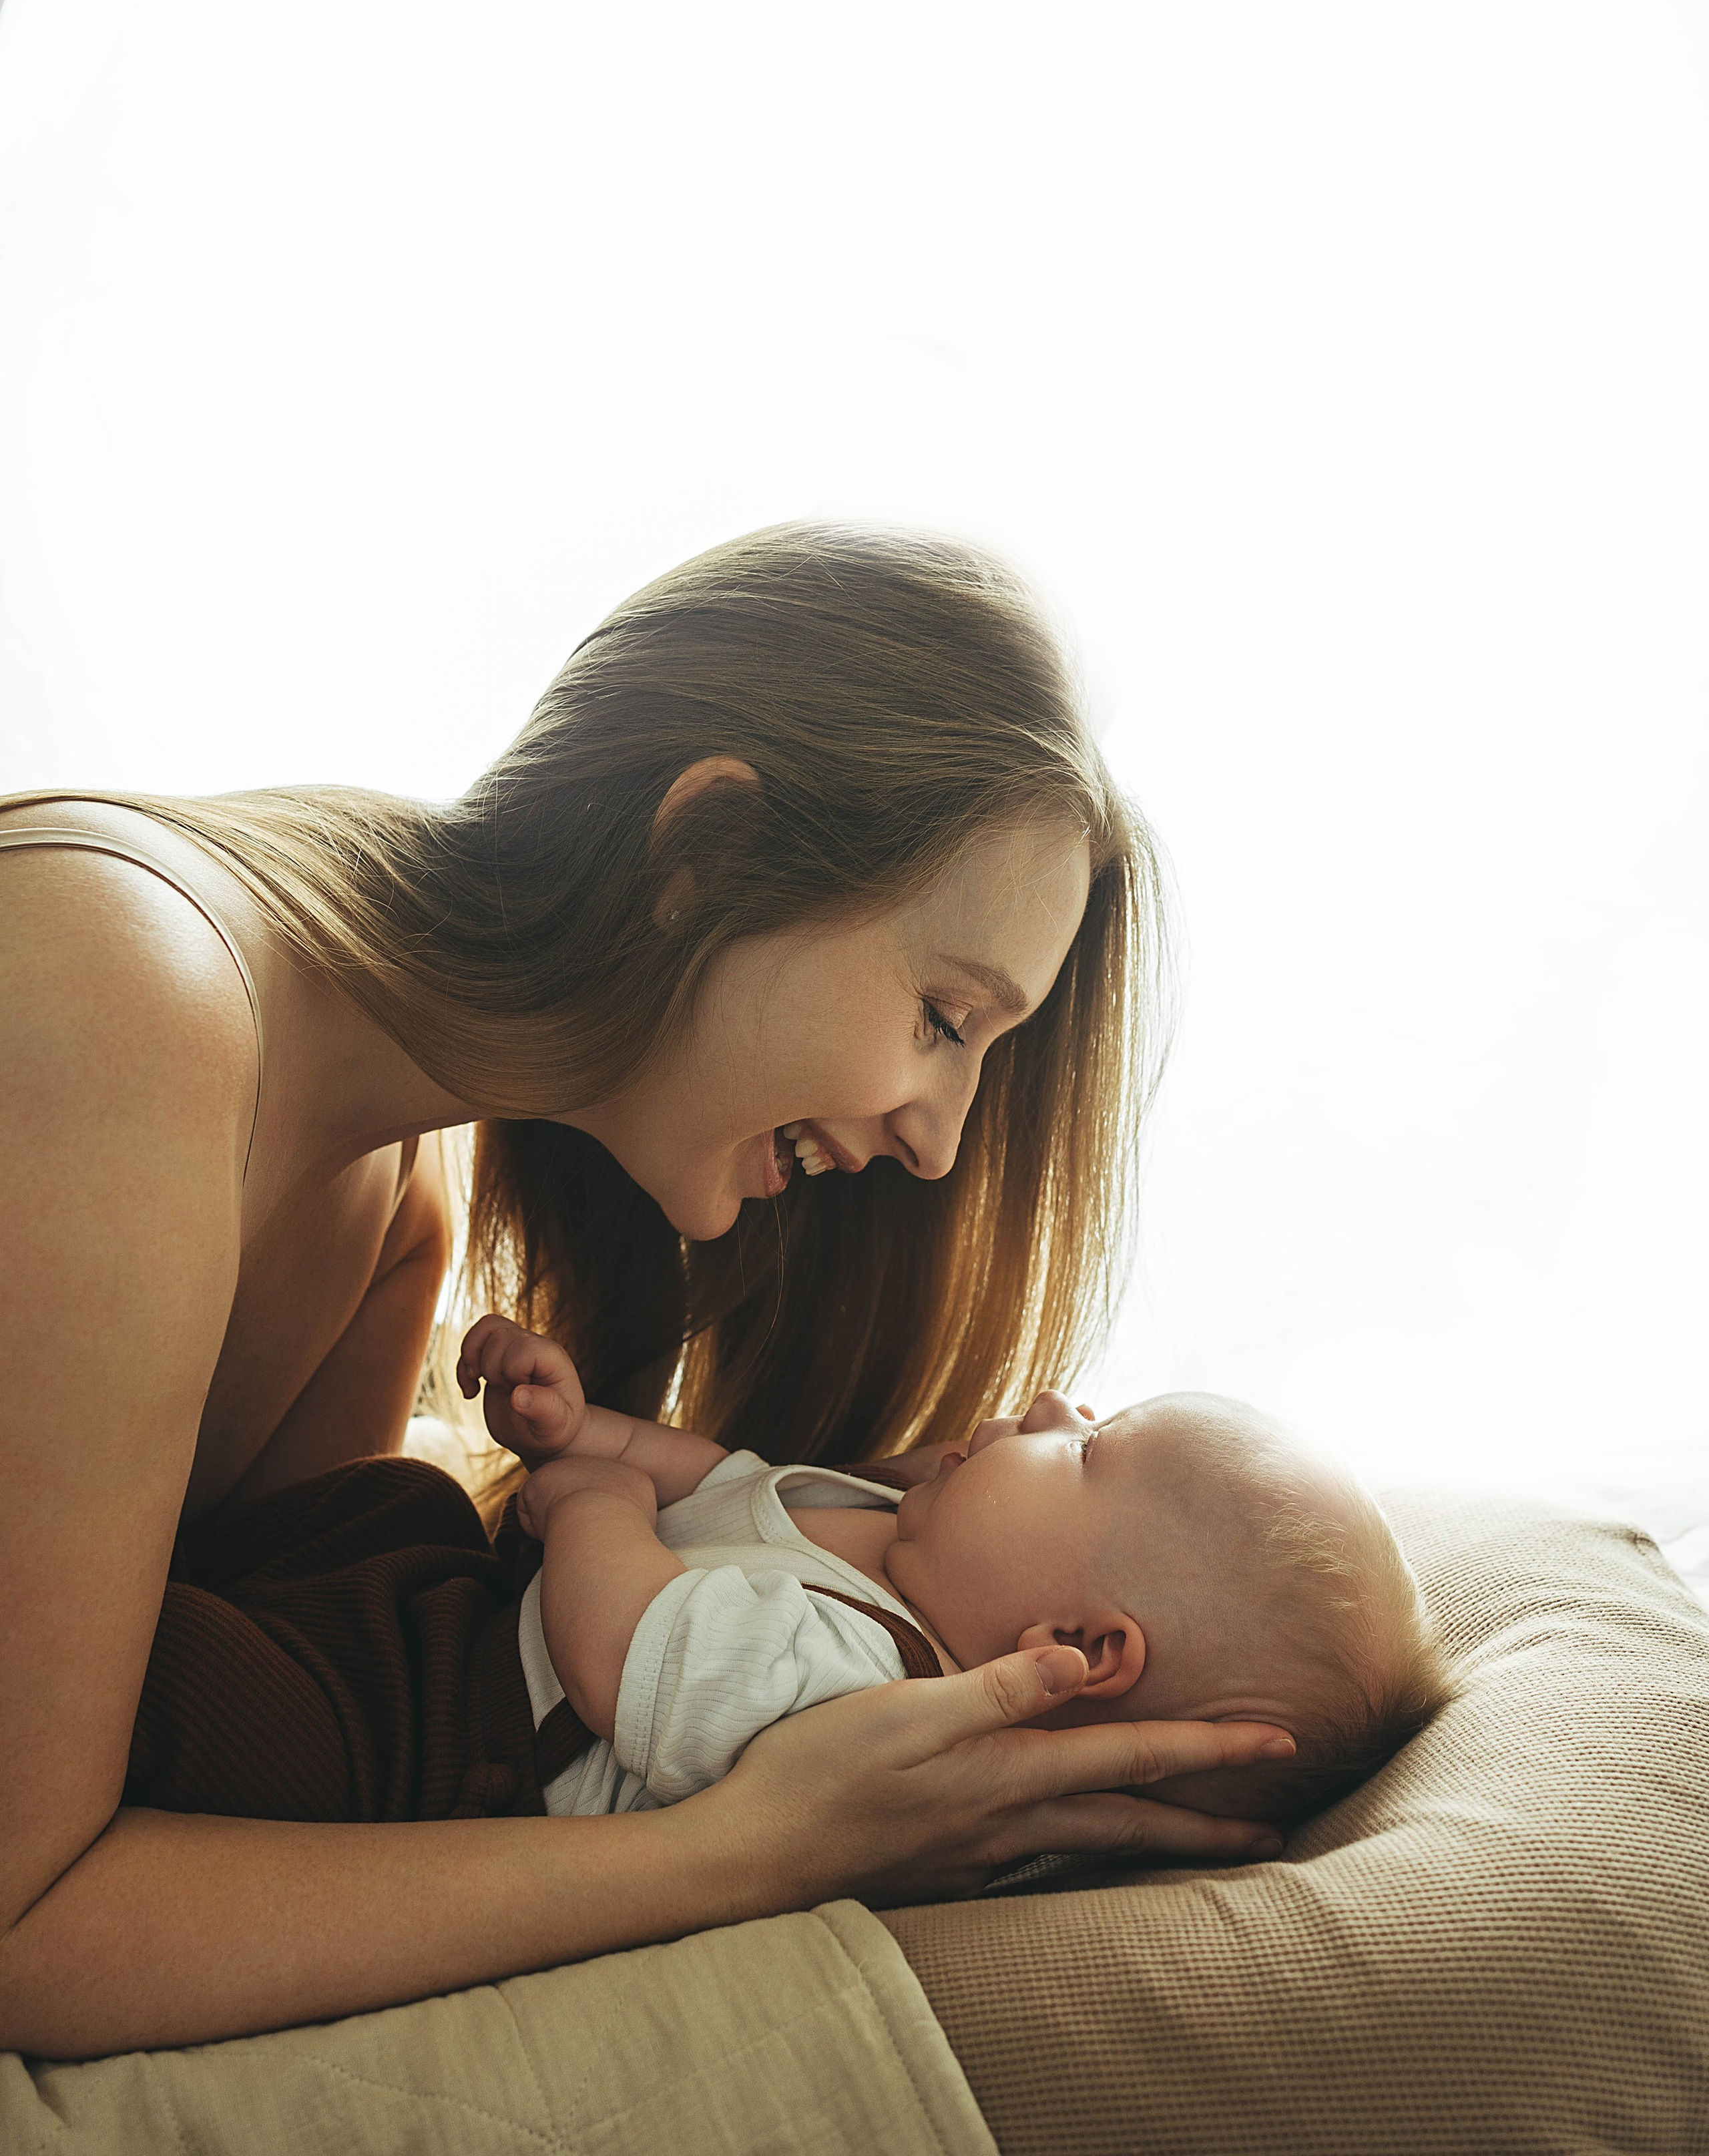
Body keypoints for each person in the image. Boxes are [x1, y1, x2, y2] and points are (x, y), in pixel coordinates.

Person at [1, 521, 1292, 2061]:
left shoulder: (394, 1202)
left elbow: (306, 1742)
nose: (940, 1148)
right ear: (701, 858)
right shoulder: (113, 995)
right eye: (946, 1018)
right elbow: (29, 1922)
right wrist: (752, 1850)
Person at [461, 1322, 1448, 1823]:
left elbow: (624, 1652)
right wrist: (588, 1434)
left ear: (1078, 1647)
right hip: (439, 1592)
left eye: (1088, 1451)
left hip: (429, 1726)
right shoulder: (897, 1527)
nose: (1059, 1400)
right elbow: (725, 1486)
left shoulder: (872, 1687)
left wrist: (597, 1504)